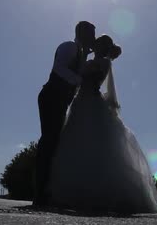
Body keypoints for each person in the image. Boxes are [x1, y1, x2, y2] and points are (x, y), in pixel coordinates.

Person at [47, 35, 157, 214]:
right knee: (76, 144)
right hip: (80, 103)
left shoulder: (104, 63)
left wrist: (83, 60)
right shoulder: (90, 59)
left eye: (99, 43)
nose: (95, 45)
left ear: (103, 47)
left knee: (96, 145)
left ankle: (96, 194)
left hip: (91, 102)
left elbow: (85, 77)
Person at [34, 21, 96, 207]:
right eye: (91, 34)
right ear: (82, 33)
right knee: (48, 141)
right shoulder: (69, 47)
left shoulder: (83, 54)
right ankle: (39, 192)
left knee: (54, 142)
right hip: (51, 96)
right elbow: (59, 68)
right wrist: (80, 81)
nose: (93, 37)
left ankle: (45, 190)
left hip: (62, 101)